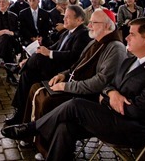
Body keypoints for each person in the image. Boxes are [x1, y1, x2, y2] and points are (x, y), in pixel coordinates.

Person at [1, 17, 145, 161]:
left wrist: (107, 97)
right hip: (110, 115)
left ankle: (32, 128)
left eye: (132, 34)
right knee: (65, 126)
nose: (126, 38)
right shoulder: (131, 60)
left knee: (76, 104)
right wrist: (111, 93)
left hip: (133, 129)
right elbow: (108, 85)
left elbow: (136, 110)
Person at [22, 9, 126, 156]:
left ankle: (46, 148)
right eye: (90, 22)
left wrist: (66, 86)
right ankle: (30, 137)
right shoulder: (95, 42)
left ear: (108, 26)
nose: (89, 26)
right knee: (35, 88)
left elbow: (100, 82)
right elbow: (77, 65)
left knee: (46, 100)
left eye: (94, 23)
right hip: (74, 84)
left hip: (89, 96)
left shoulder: (116, 48)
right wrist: (63, 75)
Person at [5, 5, 91, 125]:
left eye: (68, 17)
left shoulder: (83, 34)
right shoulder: (67, 33)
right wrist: (40, 51)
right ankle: (20, 113)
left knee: (39, 58)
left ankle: (17, 67)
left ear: (79, 20)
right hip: (52, 66)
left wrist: (48, 53)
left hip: (63, 72)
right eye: (64, 17)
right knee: (26, 75)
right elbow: (52, 47)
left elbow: (74, 56)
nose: (64, 20)